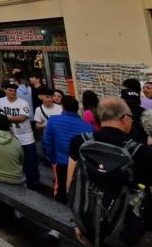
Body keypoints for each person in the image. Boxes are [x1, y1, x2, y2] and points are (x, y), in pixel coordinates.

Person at [68, 96, 152, 246]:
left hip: (89, 223)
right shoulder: (141, 151)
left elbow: (71, 184)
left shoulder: (80, 141)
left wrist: (79, 222)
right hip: (126, 231)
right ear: (125, 118)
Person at [42, 96, 92, 204]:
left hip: (61, 162)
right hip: (80, 164)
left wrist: (52, 159)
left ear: (63, 107)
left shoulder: (53, 120)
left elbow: (47, 142)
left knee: (61, 190)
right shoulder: (88, 126)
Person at [0, 82, 39, 190]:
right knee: (13, 160)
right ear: (5, 90)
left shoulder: (23, 102)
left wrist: (5, 118)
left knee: (31, 161)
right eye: (10, 90)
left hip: (25, 135)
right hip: (9, 135)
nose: (13, 92)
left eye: (15, 90)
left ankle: (33, 185)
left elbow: (22, 117)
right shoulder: (0, 101)